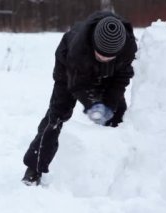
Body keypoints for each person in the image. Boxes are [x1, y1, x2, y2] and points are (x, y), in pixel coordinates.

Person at [22, 11, 137, 186]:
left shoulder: (128, 48)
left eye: (109, 57)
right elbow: (77, 85)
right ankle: (34, 168)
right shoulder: (78, 49)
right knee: (57, 115)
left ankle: (115, 171)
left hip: (108, 76)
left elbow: (122, 78)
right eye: (101, 55)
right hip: (70, 71)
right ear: (93, 46)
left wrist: (110, 105)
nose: (105, 59)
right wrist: (93, 105)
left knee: (117, 115)